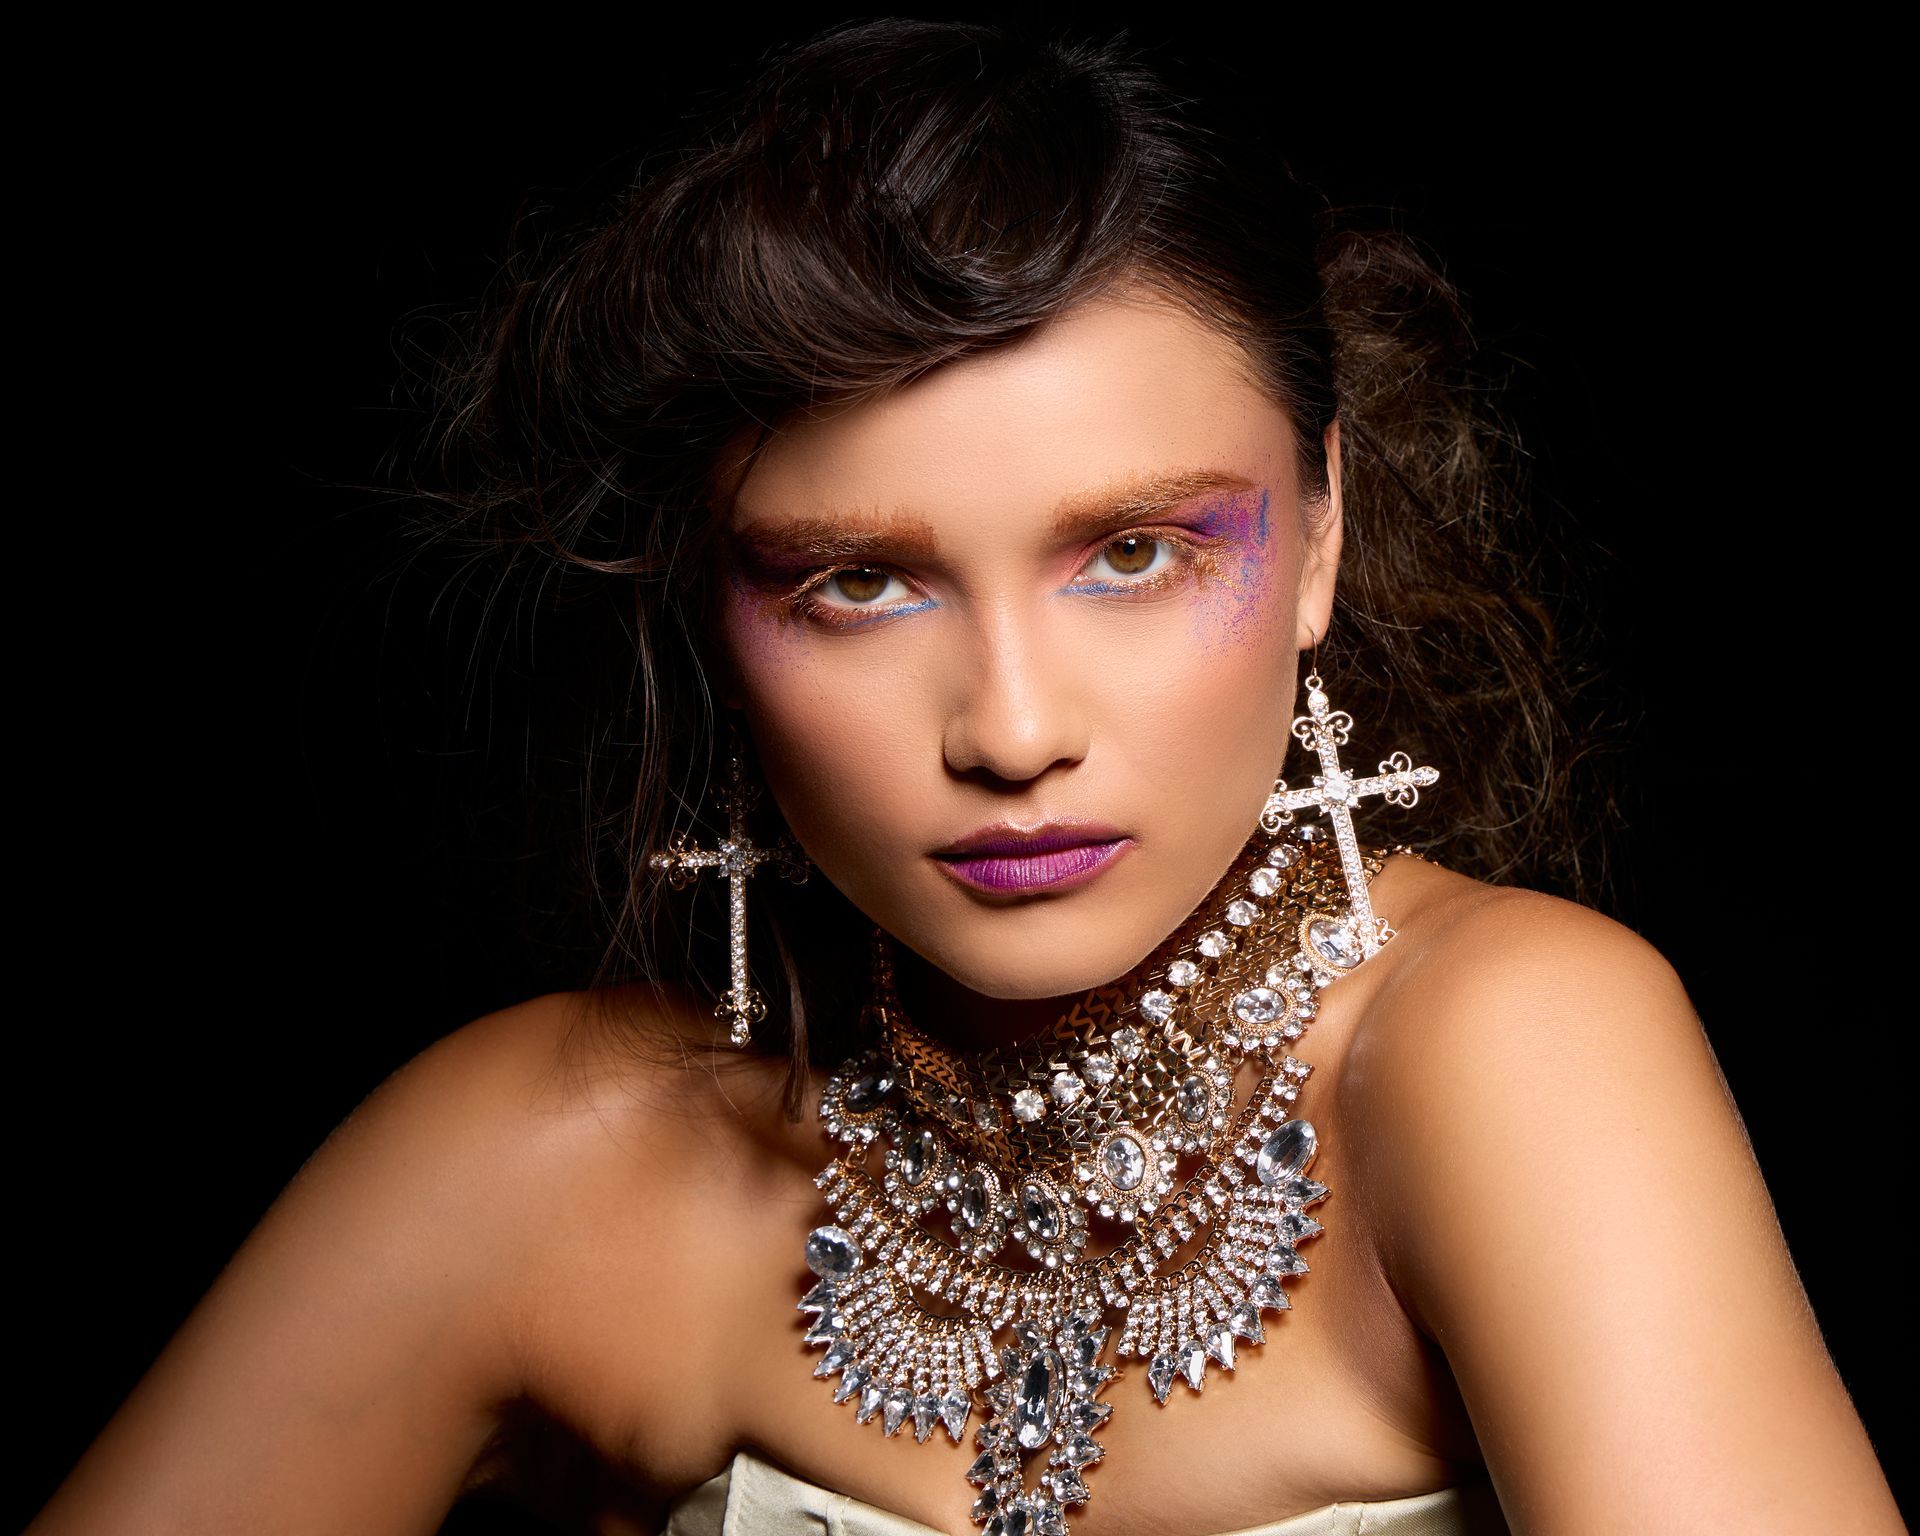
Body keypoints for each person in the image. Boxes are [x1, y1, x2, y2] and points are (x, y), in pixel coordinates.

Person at [32, 19, 1901, 1536]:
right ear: (713, 602)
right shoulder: (550, 1150)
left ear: (1322, 534)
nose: (1011, 729)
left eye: (1135, 553)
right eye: (859, 581)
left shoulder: (1507, 1042)